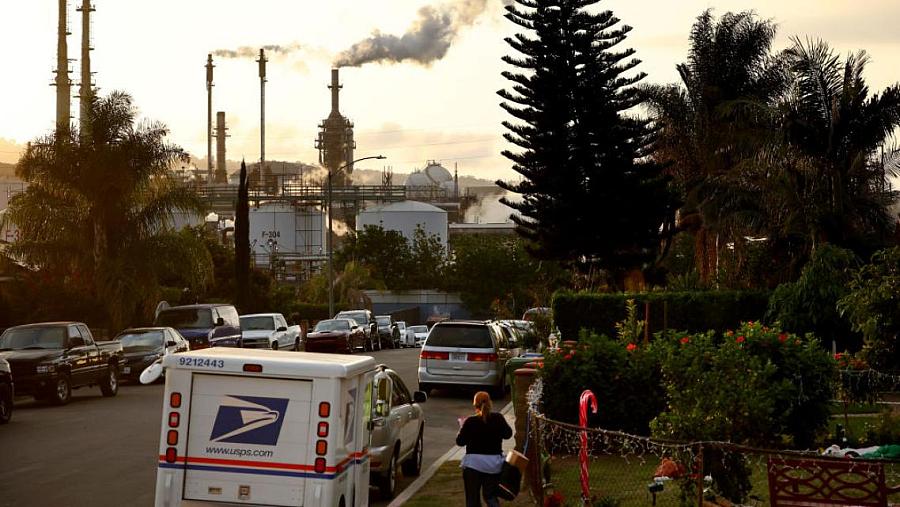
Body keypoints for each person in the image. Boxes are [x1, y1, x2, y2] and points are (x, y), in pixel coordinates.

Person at [456, 391, 513, 507]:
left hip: (473, 464)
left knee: (472, 499)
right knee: (490, 495)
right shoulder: (498, 418)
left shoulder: (470, 421)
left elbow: (460, 442)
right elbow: (508, 434)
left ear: (475, 405)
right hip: (493, 464)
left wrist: (462, 428)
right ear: (490, 403)